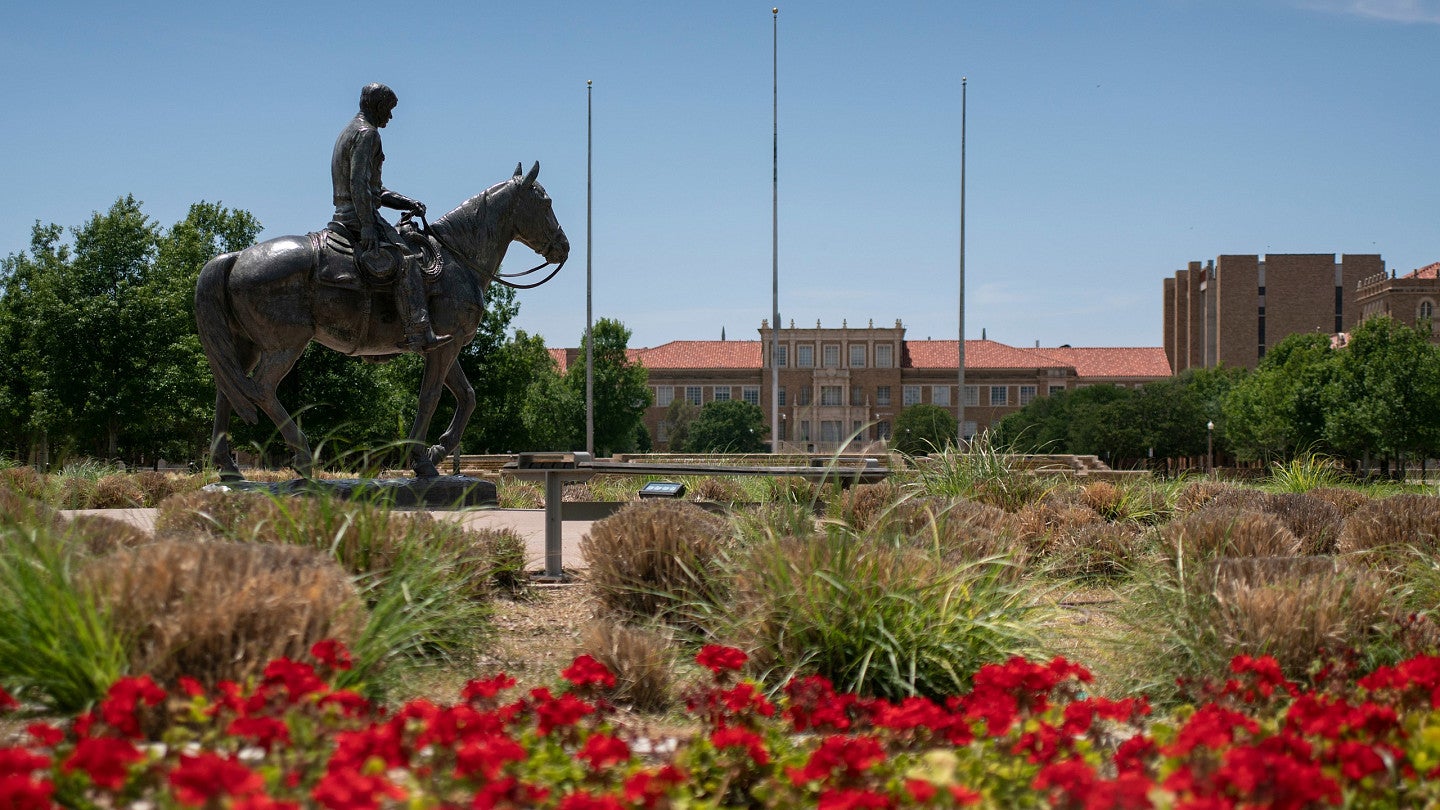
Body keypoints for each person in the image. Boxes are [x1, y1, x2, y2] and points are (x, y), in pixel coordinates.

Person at [330, 83, 451, 352]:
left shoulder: (349, 131)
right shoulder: (368, 133)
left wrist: (406, 202)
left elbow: (374, 189)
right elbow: (358, 185)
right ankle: (419, 330)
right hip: (358, 218)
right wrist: (368, 227)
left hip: (349, 213)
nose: (391, 117)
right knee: (409, 260)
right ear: (377, 106)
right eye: (389, 109)